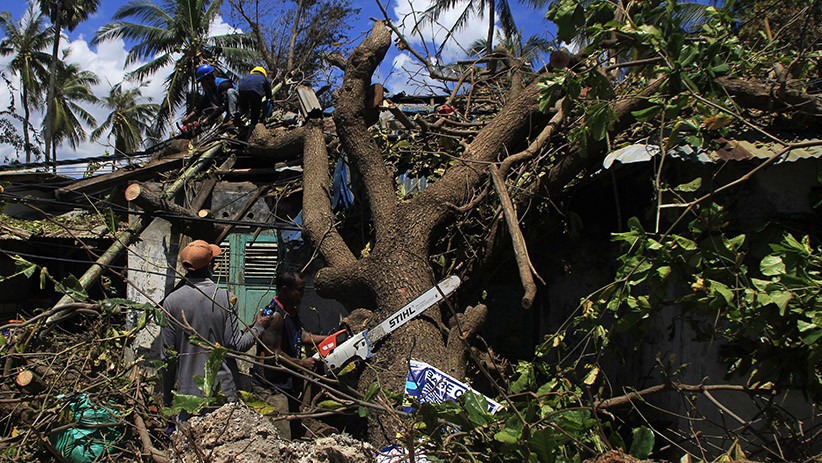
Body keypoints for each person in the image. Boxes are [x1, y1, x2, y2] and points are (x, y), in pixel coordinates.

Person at [161, 240, 272, 423]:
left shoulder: (171, 301)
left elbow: (167, 357)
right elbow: (236, 345)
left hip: (188, 397)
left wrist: (167, 399)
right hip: (223, 393)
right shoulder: (226, 298)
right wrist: (258, 327)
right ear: (210, 265)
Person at [251, 269, 327, 439]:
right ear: (285, 290)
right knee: (280, 437)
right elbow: (273, 355)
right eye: (299, 290)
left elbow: (299, 335)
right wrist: (302, 363)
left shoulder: (290, 311)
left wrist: (329, 339)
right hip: (271, 387)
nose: (302, 294)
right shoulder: (275, 316)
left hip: (286, 384)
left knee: (295, 433)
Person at [237, 66, 273, 135]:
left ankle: (237, 121)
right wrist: (269, 98)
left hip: (242, 90)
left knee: (243, 108)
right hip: (255, 92)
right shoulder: (264, 78)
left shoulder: (246, 77)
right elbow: (268, 93)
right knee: (255, 110)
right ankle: (253, 125)